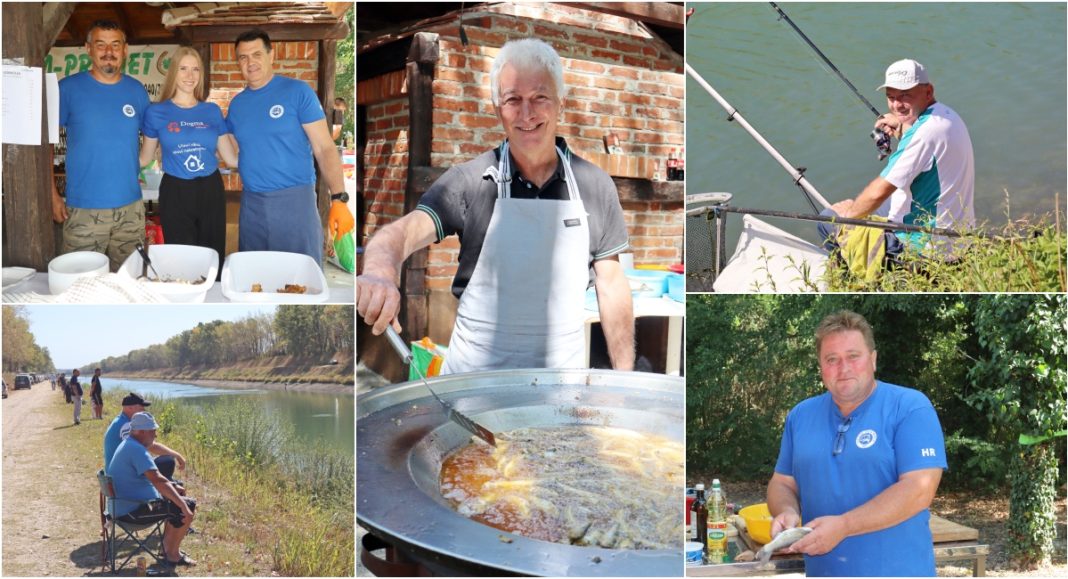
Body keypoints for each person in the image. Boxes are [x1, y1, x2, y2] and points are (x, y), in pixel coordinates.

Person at [357, 39, 634, 374]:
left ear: (561, 102)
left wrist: (624, 381)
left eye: (540, 97)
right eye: (513, 99)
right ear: (496, 108)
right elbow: (401, 234)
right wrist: (380, 272)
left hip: (561, 387)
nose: (527, 113)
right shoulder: (469, 181)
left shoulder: (595, 186)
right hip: (472, 386)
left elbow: (611, 283)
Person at [766, 311, 946, 576]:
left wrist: (844, 526)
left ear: (873, 359)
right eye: (832, 359)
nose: (844, 368)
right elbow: (782, 483)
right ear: (820, 366)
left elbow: (919, 489)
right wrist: (786, 511)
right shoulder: (800, 416)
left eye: (853, 356)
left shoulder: (909, 407)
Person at [818, 59, 975, 265]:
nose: (896, 105)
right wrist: (903, 128)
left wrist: (848, 215)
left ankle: (856, 278)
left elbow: (878, 192)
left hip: (924, 249)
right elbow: (924, 159)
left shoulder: (924, 134)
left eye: (905, 96)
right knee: (871, 207)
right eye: (891, 97)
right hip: (958, 238)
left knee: (828, 220)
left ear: (928, 92)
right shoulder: (946, 116)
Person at [225, 29, 352, 266]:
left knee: (299, 276)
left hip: (295, 201)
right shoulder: (237, 105)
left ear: (271, 55)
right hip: (252, 205)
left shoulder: (297, 92)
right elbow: (230, 152)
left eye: (256, 54)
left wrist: (339, 198)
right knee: (255, 276)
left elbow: (324, 147)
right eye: (243, 57)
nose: (250, 62)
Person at [52, 20, 151, 272]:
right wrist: (52, 195)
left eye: (115, 45)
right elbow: (45, 144)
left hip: (130, 210)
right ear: (88, 49)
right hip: (83, 209)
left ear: (125, 50)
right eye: (101, 45)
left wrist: (140, 162)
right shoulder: (67, 89)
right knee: (80, 282)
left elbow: (152, 136)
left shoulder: (136, 91)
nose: (109, 52)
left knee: (132, 280)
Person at [140, 47, 239, 276]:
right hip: (175, 190)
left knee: (212, 257)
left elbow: (231, 158)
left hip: (210, 189)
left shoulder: (211, 111)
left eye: (195, 69)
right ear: (173, 72)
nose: (190, 75)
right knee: (181, 260)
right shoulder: (156, 112)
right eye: (183, 69)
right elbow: (144, 157)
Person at [109, 412, 197, 569]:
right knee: (186, 505)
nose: (155, 434)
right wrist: (183, 506)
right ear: (141, 431)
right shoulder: (136, 450)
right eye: (153, 431)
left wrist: (172, 486)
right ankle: (172, 554)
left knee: (174, 499)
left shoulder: (129, 444)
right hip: (132, 512)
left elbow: (150, 479)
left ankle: (167, 550)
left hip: (121, 507)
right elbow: (158, 480)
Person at [104, 393, 186, 481]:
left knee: (163, 462)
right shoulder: (126, 426)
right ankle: (166, 488)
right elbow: (151, 446)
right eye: (141, 408)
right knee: (167, 462)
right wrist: (177, 455)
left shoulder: (121, 420)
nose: (144, 410)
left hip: (117, 469)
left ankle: (167, 485)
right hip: (121, 474)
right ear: (129, 408)